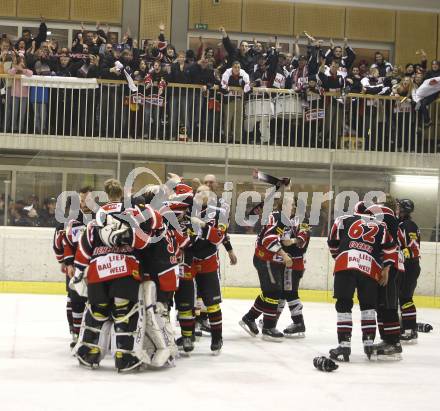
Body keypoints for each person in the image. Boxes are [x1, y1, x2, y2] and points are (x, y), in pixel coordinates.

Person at [72, 179, 151, 372]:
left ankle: (89, 353)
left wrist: (79, 270)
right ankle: (123, 357)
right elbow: (143, 241)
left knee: (97, 312)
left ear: (106, 195)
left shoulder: (97, 216)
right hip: (125, 268)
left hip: (98, 269)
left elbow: (85, 244)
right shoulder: (132, 213)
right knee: (123, 313)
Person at [327, 206, 397, 362]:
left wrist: (339, 257)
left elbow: (332, 242)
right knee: (368, 306)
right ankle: (369, 344)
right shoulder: (381, 225)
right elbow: (391, 248)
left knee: (344, 305)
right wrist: (386, 268)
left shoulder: (342, 219)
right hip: (370, 267)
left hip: (346, 262)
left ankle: (344, 345)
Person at [240, 205, 293, 341]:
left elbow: (283, 240)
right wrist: (285, 255)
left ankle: (249, 318)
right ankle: (268, 328)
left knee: (270, 292)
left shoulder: (281, 218)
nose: (294, 207)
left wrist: (294, 240)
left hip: (267, 259)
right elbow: (268, 239)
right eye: (292, 204)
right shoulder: (280, 218)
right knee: (273, 292)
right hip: (266, 259)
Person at [190, 184, 228, 354]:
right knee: (188, 302)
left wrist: (204, 227)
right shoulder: (186, 210)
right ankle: (188, 335)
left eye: (203, 191)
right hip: (188, 262)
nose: (199, 194)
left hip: (208, 262)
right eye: (197, 191)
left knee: (212, 303)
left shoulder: (219, 213)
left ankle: (217, 338)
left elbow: (219, 238)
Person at [277, 212, 310, 337]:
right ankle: (271, 321)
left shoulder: (302, 219)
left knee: (290, 293)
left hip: (294, 263)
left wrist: (291, 241)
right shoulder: (284, 220)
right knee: (282, 293)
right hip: (287, 263)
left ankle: (298, 323)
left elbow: (303, 237)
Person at [397, 199, 421, 343]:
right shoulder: (409, 224)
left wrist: (401, 255)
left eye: (399, 207)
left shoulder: (406, 225)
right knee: (403, 298)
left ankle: (410, 330)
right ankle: (407, 327)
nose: (397, 209)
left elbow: (412, 248)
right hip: (410, 265)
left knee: (405, 298)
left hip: (409, 266)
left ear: (405, 210)